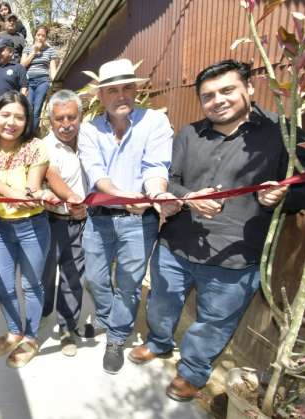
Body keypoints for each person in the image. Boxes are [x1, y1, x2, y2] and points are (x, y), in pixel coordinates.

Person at [130, 60, 305, 401]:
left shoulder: (284, 134)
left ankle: (192, 372)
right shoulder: (190, 134)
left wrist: (276, 197)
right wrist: (187, 197)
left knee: (215, 321)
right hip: (176, 243)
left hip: (236, 255)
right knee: (161, 303)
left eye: (227, 90)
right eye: (208, 95)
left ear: (248, 88)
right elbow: (169, 182)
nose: (218, 100)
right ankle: (159, 343)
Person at [78, 58, 176, 375]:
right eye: (113, 90)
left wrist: (155, 194)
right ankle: (111, 319)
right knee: (93, 278)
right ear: (101, 95)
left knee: (130, 284)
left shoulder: (155, 123)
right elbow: (95, 173)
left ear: (136, 90)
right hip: (100, 217)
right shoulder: (89, 130)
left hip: (140, 221)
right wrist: (122, 196)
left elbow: (156, 168)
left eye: (127, 88)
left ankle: (117, 338)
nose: (121, 95)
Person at [0, 91, 57, 368]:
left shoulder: (37, 146)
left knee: (32, 286)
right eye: (6, 115)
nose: (11, 122)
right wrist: (15, 194)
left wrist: (33, 193)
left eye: (19, 117)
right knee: (4, 285)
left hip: (33, 226)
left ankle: (30, 337)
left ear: (27, 120)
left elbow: (33, 183)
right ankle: (13, 330)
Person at [40, 90, 94, 357]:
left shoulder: (91, 140)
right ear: (51, 121)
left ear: (80, 116)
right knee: (46, 274)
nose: (66, 124)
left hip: (84, 221)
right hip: (52, 221)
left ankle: (66, 327)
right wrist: (71, 199)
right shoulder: (45, 147)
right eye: (59, 119)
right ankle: (43, 309)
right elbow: (51, 176)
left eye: (71, 117)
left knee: (73, 276)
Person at [21, 25, 59, 131]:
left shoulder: (50, 51)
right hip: (29, 81)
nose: (40, 38)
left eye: (43, 35)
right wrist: (34, 51)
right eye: (38, 35)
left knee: (37, 108)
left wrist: (55, 82)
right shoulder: (28, 48)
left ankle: (32, 134)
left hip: (43, 81)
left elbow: (52, 68)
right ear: (35, 36)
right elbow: (22, 65)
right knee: (28, 107)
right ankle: (25, 132)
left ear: (46, 37)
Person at [0, 38, 28, 105]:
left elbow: (24, 88)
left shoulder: (18, 68)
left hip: (10, 106)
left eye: (1, 50)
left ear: (11, 52)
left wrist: (20, 104)